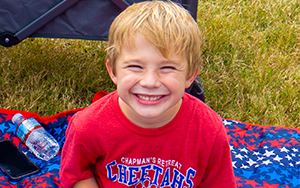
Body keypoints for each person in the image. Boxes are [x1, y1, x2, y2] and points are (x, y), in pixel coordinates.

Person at [59, 1, 236, 187]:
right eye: (136, 66)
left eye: (167, 68)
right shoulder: (88, 126)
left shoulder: (209, 131)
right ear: (113, 71)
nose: (150, 82)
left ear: (190, 75)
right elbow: (77, 173)